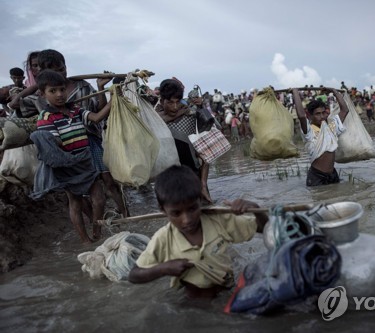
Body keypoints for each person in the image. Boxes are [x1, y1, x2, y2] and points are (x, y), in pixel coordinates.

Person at [128, 165, 268, 298]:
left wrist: (255, 209)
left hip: (227, 292)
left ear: (200, 200)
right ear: (163, 210)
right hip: (193, 301)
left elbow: (265, 229)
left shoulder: (219, 220)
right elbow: (134, 275)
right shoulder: (163, 238)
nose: (187, 220)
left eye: (192, 209)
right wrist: (164, 269)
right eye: (176, 213)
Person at [36, 49, 129, 218]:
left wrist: (101, 88)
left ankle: (124, 213)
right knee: (77, 193)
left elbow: (98, 112)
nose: (60, 74)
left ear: (66, 67)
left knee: (108, 180)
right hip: (68, 148)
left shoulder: (83, 86)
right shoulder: (41, 95)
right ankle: (95, 222)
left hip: (91, 140)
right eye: (53, 70)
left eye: (61, 69)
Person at [31, 69, 113, 243]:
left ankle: (97, 234)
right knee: (75, 202)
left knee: (99, 198)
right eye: (53, 91)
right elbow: (55, 143)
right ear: (42, 94)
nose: (60, 94)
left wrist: (115, 99)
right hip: (68, 166)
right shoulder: (45, 117)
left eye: (62, 89)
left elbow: (97, 117)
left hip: (85, 161)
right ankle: (85, 241)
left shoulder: (75, 110)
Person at [157, 78, 213, 204]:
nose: (175, 107)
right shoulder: (154, 122)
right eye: (170, 103)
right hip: (169, 180)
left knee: (203, 212)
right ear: (161, 101)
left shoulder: (190, 116)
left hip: (193, 176)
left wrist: (203, 184)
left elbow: (205, 153)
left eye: (177, 102)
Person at [292, 88, 348, 186]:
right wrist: (295, 92)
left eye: (323, 113)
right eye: (317, 114)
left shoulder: (331, 126)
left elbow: (345, 110)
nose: (321, 116)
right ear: (310, 116)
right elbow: (301, 116)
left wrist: (334, 91)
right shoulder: (309, 131)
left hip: (332, 174)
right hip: (317, 176)